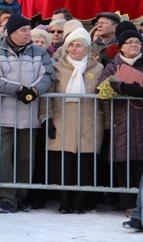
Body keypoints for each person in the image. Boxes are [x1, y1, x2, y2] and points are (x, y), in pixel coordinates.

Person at [0, 14, 55, 214]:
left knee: (26, 158)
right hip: (3, 115)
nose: (27, 33)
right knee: (4, 158)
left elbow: (48, 76)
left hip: (30, 114)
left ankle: (20, 196)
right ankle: (6, 197)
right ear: (12, 33)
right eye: (23, 30)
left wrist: (33, 91)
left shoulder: (40, 53)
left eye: (28, 29)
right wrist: (18, 90)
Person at [39, 27, 104, 214]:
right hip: (63, 119)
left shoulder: (97, 69)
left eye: (78, 46)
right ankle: (64, 200)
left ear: (87, 49)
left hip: (89, 122)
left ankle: (80, 201)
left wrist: (107, 124)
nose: (73, 49)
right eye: (71, 46)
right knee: (63, 164)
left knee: (85, 164)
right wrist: (46, 118)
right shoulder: (57, 68)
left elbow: (105, 100)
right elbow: (47, 96)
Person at [100, 29, 143, 212]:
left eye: (137, 42)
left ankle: (140, 206)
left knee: (140, 163)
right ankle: (127, 205)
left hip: (141, 119)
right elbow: (101, 89)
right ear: (121, 47)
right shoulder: (112, 66)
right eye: (129, 42)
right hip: (120, 120)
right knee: (123, 161)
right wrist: (122, 87)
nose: (134, 45)